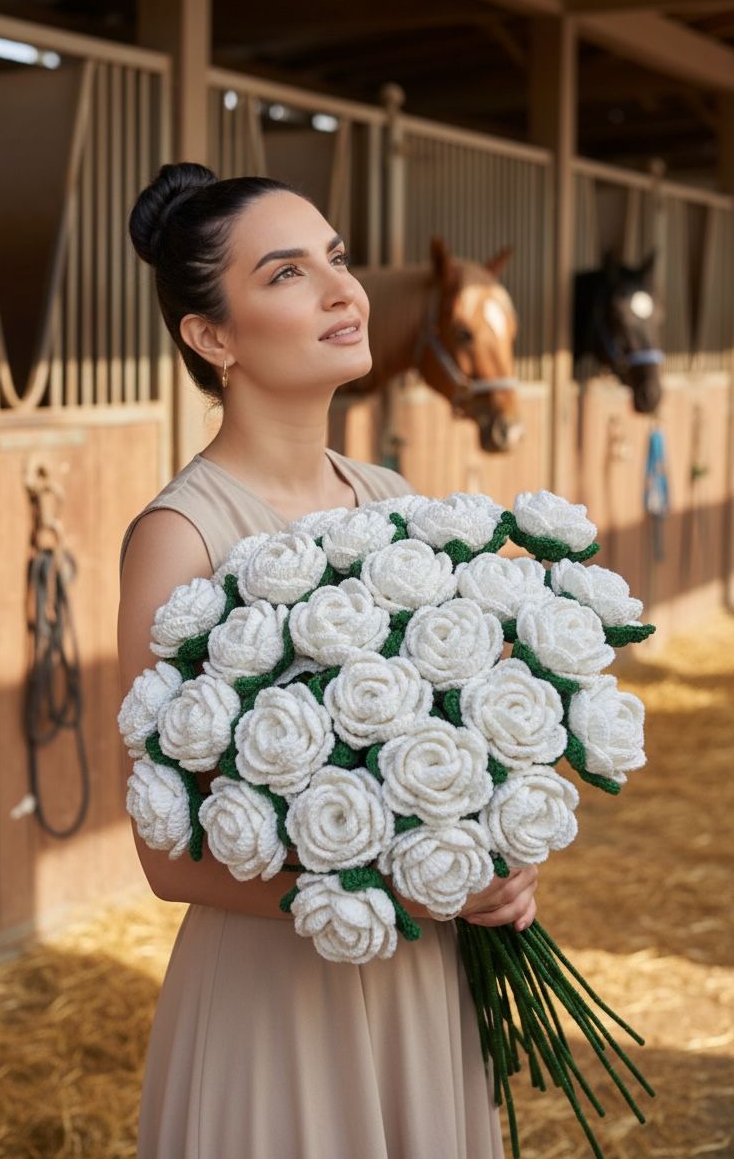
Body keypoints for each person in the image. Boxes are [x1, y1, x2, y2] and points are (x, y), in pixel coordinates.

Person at [116, 162, 538, 1159]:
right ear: (212, 338)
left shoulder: (394, 500)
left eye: (336, 259)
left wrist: (498, 860)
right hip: (280, 1002)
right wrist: (401, 886)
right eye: (287, 272)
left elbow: (462, 748)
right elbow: (164, 860)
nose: (343, 290)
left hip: (424, 977)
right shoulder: (181, 538)